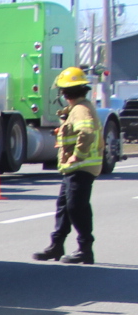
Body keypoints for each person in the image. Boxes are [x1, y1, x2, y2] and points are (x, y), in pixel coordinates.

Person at [34, 67, 102, 265]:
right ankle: (56, 245)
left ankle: (85, 249)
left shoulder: (80, 110)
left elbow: (86, 133)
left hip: (81, 166)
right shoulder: (77, 109)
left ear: (64, 92)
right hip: (74, 168)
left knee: (76, 207)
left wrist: (77, 156)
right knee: (64, 207)